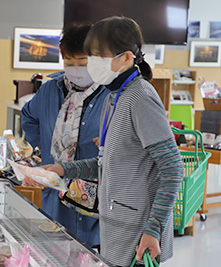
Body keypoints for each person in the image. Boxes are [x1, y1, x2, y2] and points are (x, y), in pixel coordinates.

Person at [42, 16, 184, 267]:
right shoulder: (113, 96)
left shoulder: (140, 98)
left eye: (98, 56)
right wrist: (63, 169)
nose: (92, 64)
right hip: (116, 227)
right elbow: (106, 163)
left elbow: (173, 169)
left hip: (139, 235)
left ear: (127, 58)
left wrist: (153, 229)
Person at [21, 24, 110, 249]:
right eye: (69, 63)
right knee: (55, 250)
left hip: (95, 199)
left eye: (83, 63)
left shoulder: (112, 95)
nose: (76, 69)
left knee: (91, 254)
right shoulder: (51, 90)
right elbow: (28, 117)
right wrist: (42, 145)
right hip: (56, 193)